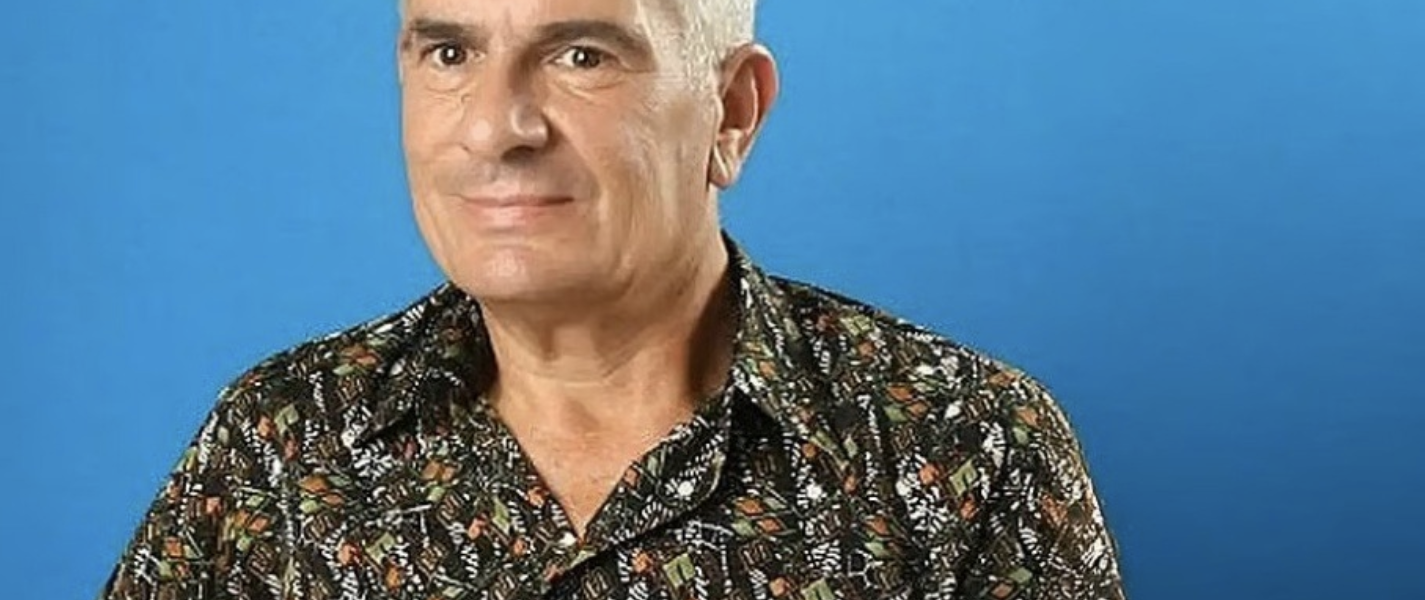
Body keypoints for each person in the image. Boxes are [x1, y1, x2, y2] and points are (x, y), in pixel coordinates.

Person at [98, 0, 1125, 598]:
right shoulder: (283, 443)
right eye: (450, 52)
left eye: (581, 55)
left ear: (731, 112)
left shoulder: (964, 442)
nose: (494, 127)